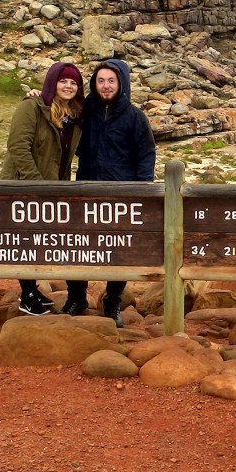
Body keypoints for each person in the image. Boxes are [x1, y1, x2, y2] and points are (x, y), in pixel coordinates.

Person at [64, 57, 156, 325]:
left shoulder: (135, 117)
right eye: (100, 81)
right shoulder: (83, 110)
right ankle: (76, 297)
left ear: (121, 84)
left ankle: (113, 300)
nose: (105, 86)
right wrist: (36, 94)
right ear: (94, 84)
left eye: (111, 81)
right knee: (78, 245)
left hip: (122, 193)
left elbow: (146, 154)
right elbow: (54, 106)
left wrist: (142, 192)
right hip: (85, 189)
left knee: (119, 249)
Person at [0, 61, 84, 316]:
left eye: (73, 82)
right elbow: (18, 147)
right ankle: (27, 294)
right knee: (24, 239)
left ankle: (33, 290)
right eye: (63, 81)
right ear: (52, 83)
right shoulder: (32, 107)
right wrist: (35, 183)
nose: (68, 86)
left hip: (54, 186)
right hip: (24, 185)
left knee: (39, 239)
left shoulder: (75, 115)